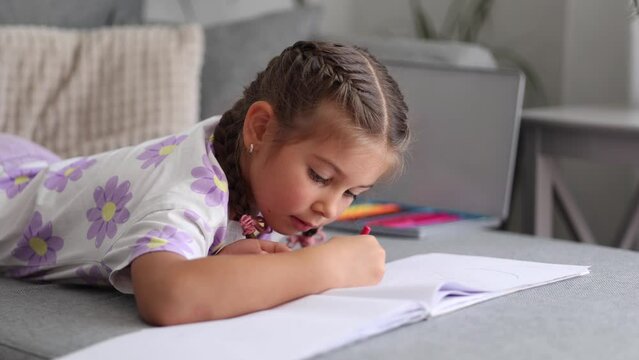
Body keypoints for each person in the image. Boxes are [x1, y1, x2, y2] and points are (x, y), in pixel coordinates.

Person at [0, 41, 409, 325]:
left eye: (352, 193)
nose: (332, 210)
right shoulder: (187, 191)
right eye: (320, 177)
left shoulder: (247, 166)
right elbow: (169, 297)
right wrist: (325, 267)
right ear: (260, 128)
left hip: (40, 169)